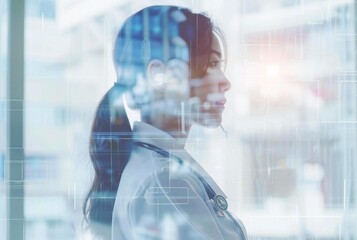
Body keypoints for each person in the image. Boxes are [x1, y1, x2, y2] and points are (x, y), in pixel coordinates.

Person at [83, 5, 247, 240]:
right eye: (212, 64)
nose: (226, 82)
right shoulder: (162, 183)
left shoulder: (159, 171)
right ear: (160, 76)